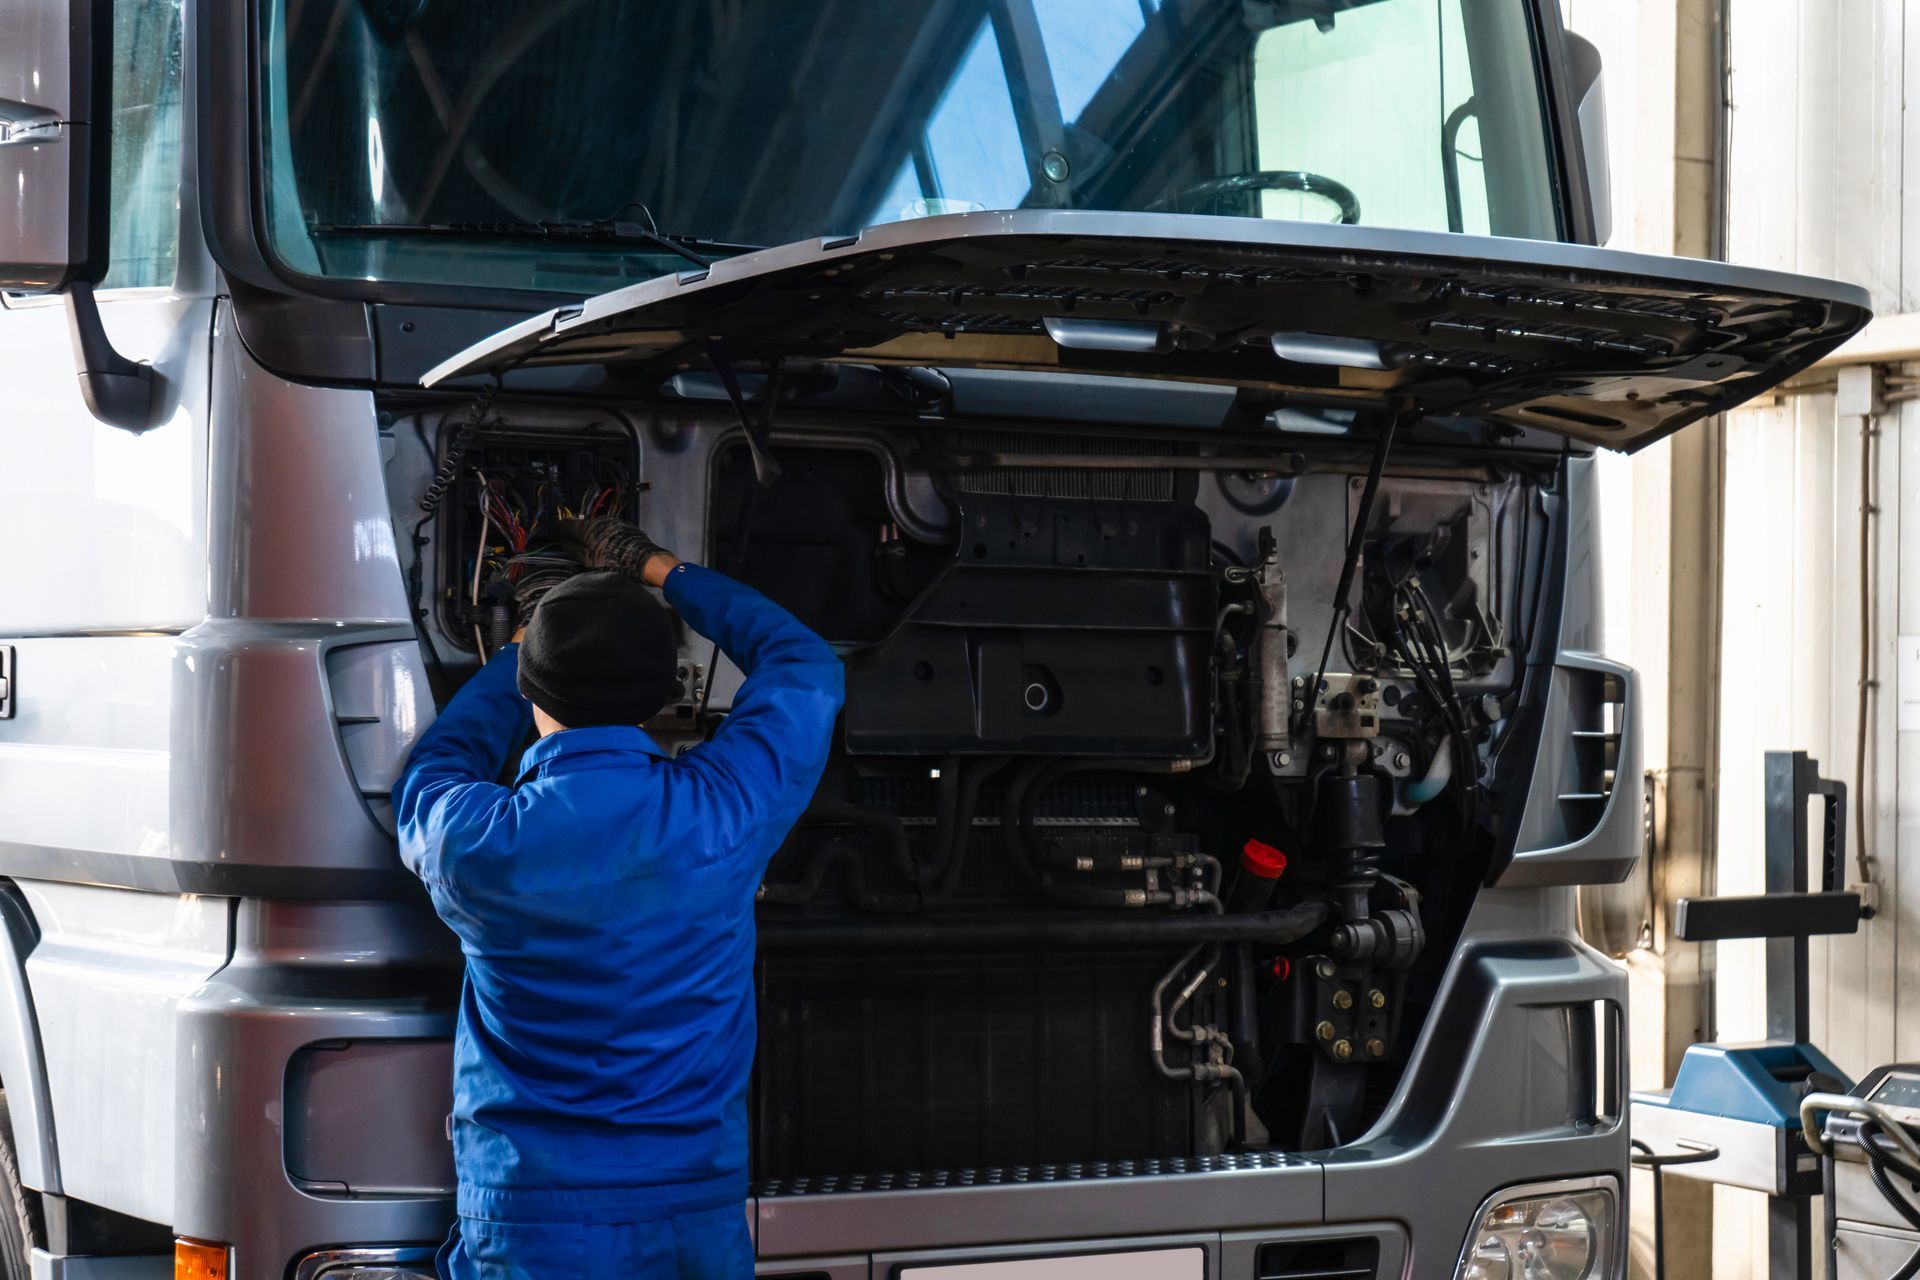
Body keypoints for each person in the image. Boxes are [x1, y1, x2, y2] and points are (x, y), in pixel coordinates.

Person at [395, 519, 844, 1280]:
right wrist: (662, 570)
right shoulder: (722, 812)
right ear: (664, 692)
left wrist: (522, 648)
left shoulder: (473, 842)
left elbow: (435, 765)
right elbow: (804, 663)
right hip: (690, 1217)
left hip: (526, 1219)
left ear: (529, 686)